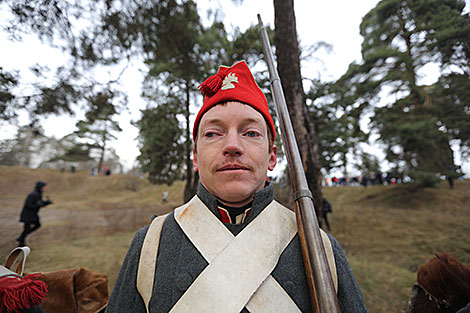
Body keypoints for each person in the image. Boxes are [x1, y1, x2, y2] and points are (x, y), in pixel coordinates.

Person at [105, 61, 368, 313]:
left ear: (272, 156)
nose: (233, 145)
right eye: (213, 133)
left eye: (251, 133)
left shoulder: (322, 249)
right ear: (196, 157)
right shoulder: (151, 243)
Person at [16, 181, 53, 247]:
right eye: (43, 187)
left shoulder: (38, 194)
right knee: (29, 227)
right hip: (28, 214)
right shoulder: (33, 194)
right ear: (40, 187)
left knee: (35, 226)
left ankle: (21, 239)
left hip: (32, 214)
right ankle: (21, 241)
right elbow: (28, 204)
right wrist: (39, 205)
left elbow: (39, 203)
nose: (45, 188)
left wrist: (46, 202)